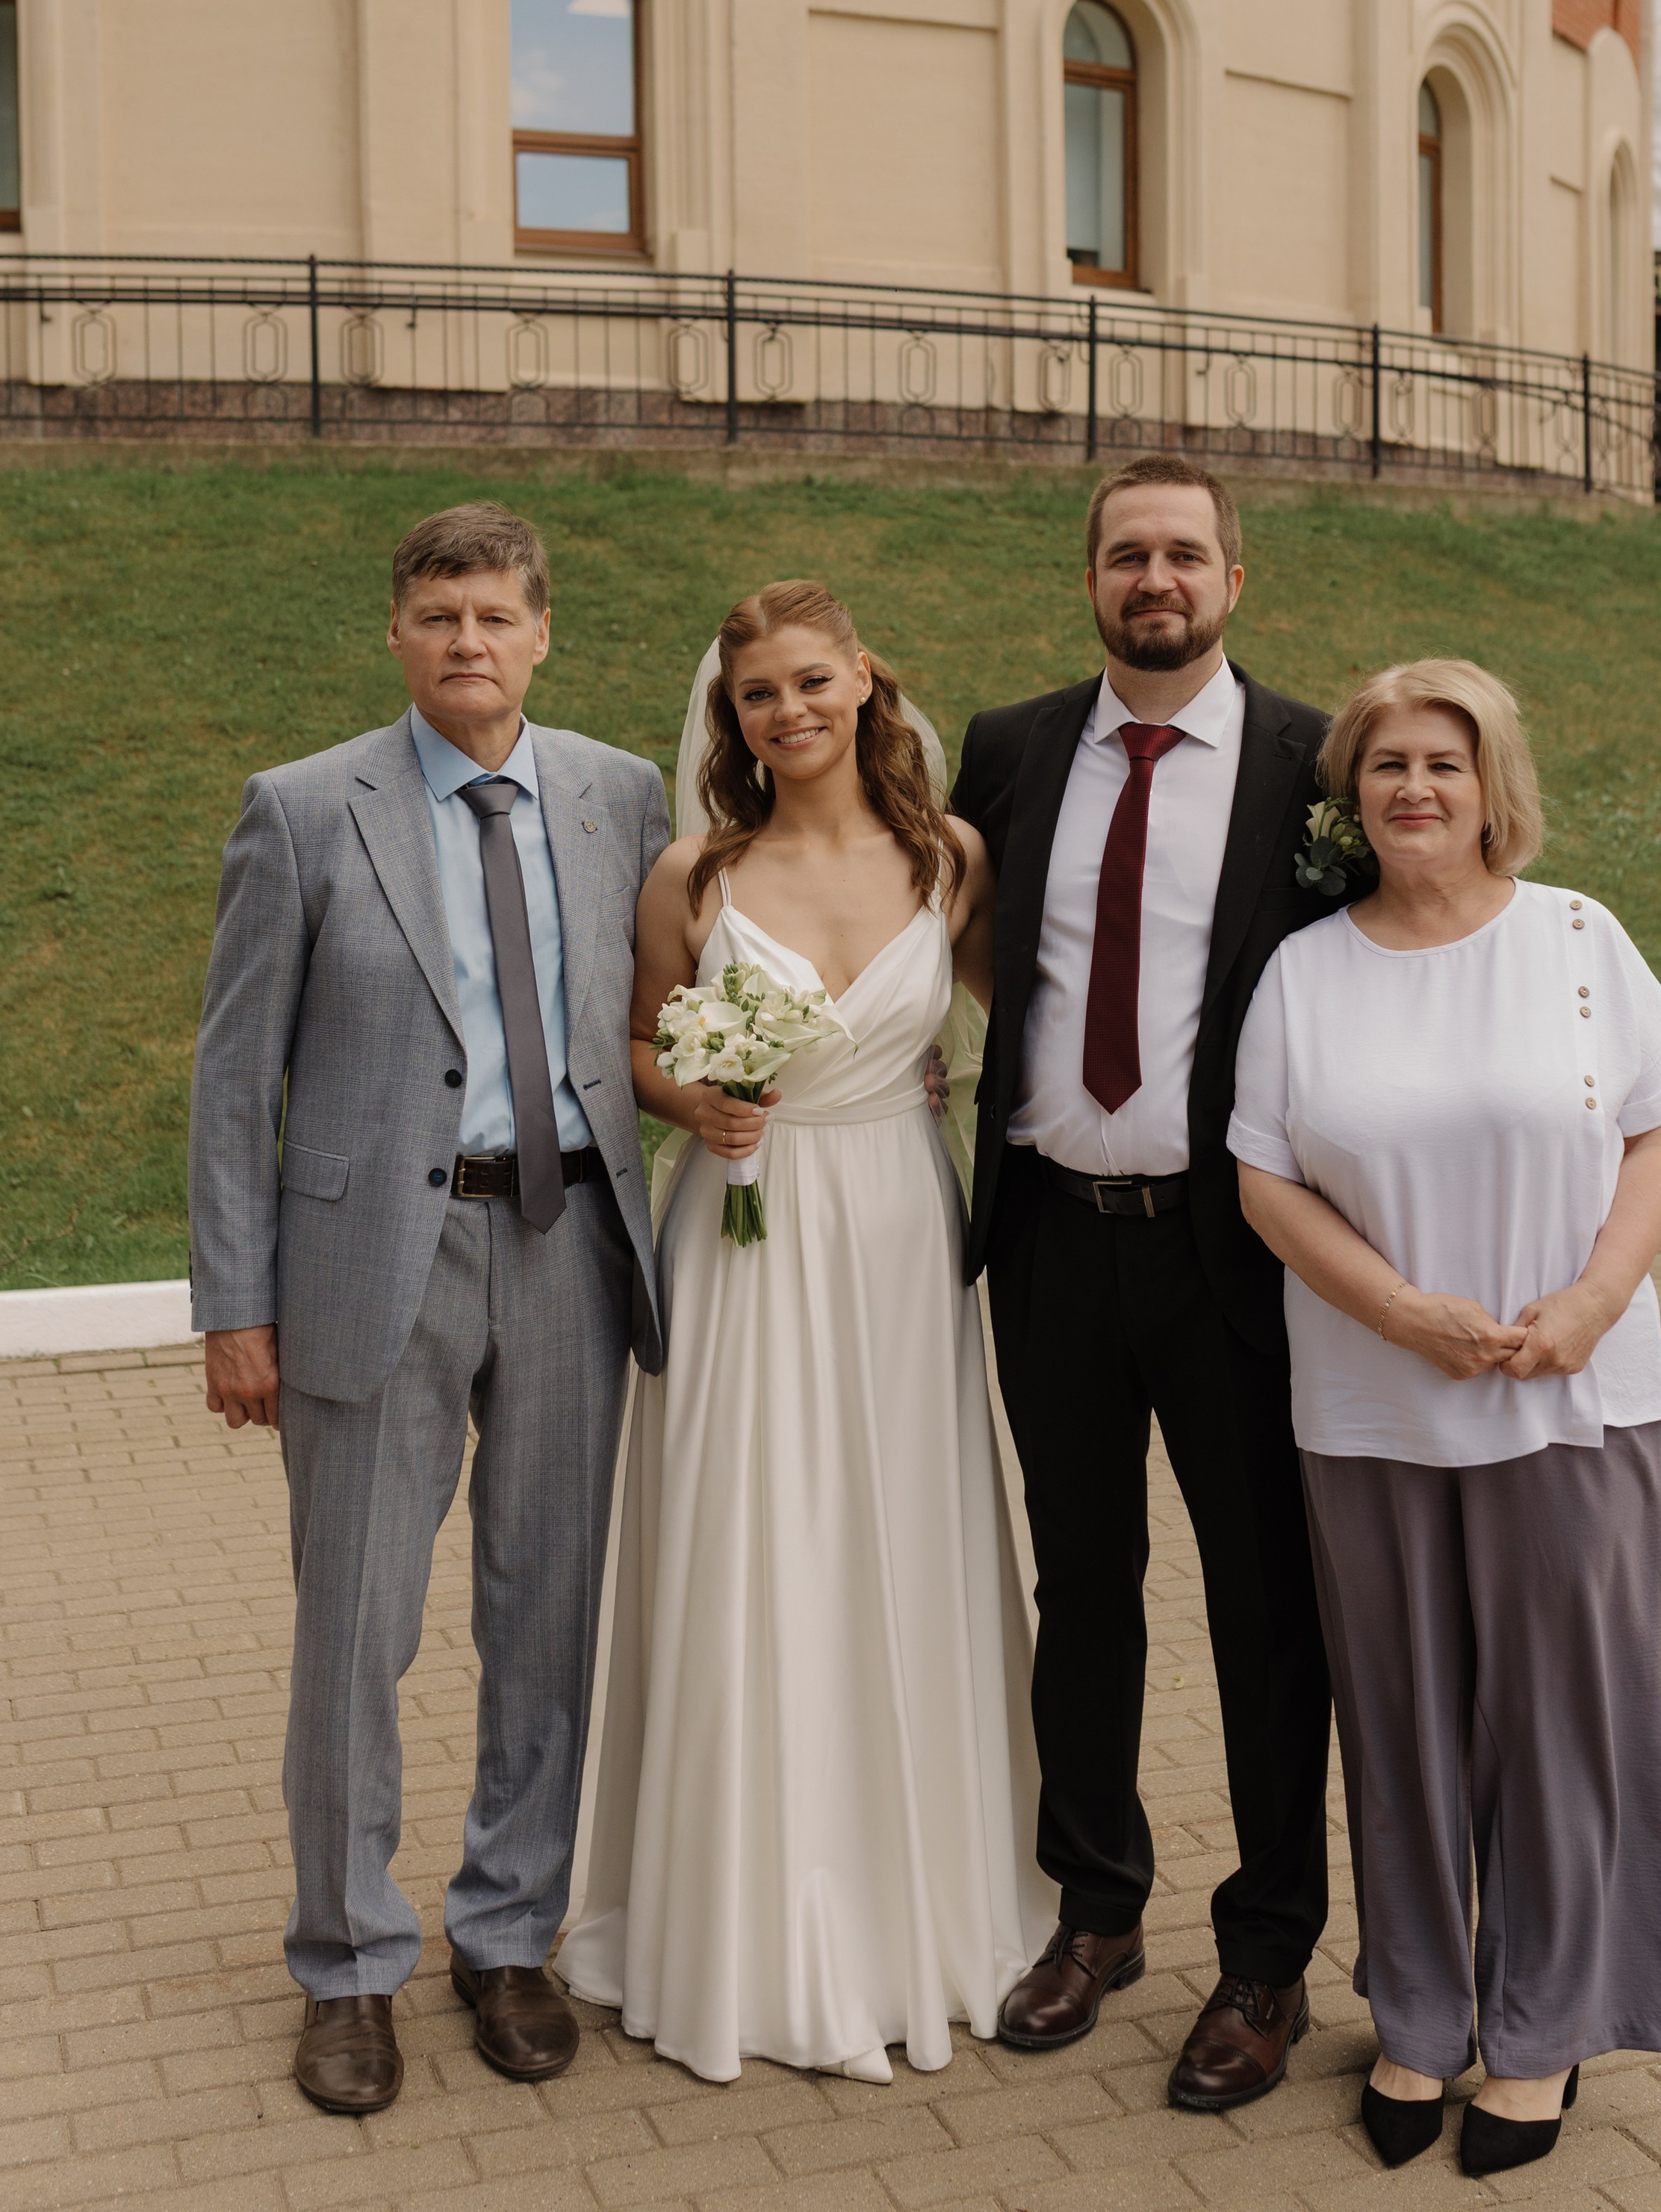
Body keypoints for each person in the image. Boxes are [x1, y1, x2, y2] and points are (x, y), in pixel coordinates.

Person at [188, 503, 668, 2118]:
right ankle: (344, 1962)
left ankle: (509, 1932)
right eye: (438, 614)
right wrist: (232, 1307)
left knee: (546, 1617)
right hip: (362, 1270)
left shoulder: (619, 796)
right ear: (395, 636)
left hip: (572, 1253)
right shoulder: (306, 809)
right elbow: (232, 1076)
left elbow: (650, 1020)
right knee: (357, 1633)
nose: (469, 640)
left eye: (496, 615)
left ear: (544, 635)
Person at [559, 581, 1048, 2083]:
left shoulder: (948, 859)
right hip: (741, 1234)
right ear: (734, 719)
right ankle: (738, 1919)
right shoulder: (694, 876)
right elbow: (636, 1041)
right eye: (757, 695)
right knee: (746, 1541)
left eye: (809, 683)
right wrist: (689, 1098)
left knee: (899, 1538)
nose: (787, 712)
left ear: (863, 684)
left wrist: (945, 1089)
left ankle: (924, 1903)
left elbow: (1014, 1016)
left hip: (898, 1237)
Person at [1228, 659, 1661, 2176]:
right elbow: (1263, 1179)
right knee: (1401, 1727)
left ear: (1492, 784)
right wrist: (1399, 1312)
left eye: (1443, 762)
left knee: (1557, 1727)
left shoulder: (1576, 938)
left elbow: (1655, 1128)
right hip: (1370, 1404)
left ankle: (1544, 2025)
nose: (1413, 789)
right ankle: (1420, 2013)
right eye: (1383, 767)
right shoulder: (1305, 970)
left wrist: (1588, 1301)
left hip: (1566, 1396)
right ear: (1346, 795)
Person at [948, 456, 1335, 2113]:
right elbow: (967, 956)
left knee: (1265, 1605)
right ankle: (1095, 1909)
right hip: (1047, 1234)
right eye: (1124, 554)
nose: (1152, 579)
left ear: (1231, 578)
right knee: (1079, 1592)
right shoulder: (1013, 748)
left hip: (1228, 1250)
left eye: (1182, 553)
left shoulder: (1316, 761)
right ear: (1088, 578)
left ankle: (1264, 1956)